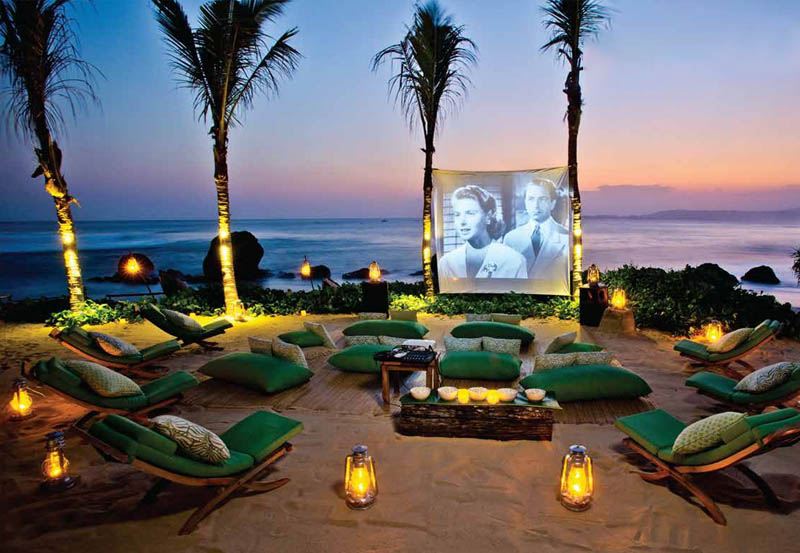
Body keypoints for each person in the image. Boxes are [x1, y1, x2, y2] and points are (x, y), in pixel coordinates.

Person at [439, 185, 527, 280]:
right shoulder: (446, 263)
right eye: (457, 215)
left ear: (488, 216)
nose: (462, 222)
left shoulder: (514, 260)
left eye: (470, 213)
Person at [503, 178, 569, 289]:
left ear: (552, 203)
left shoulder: (566, 237)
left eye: (542, 199)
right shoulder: (511, 238)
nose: (536, 205)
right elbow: (506, 276)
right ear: (525, 202)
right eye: (531, 199)